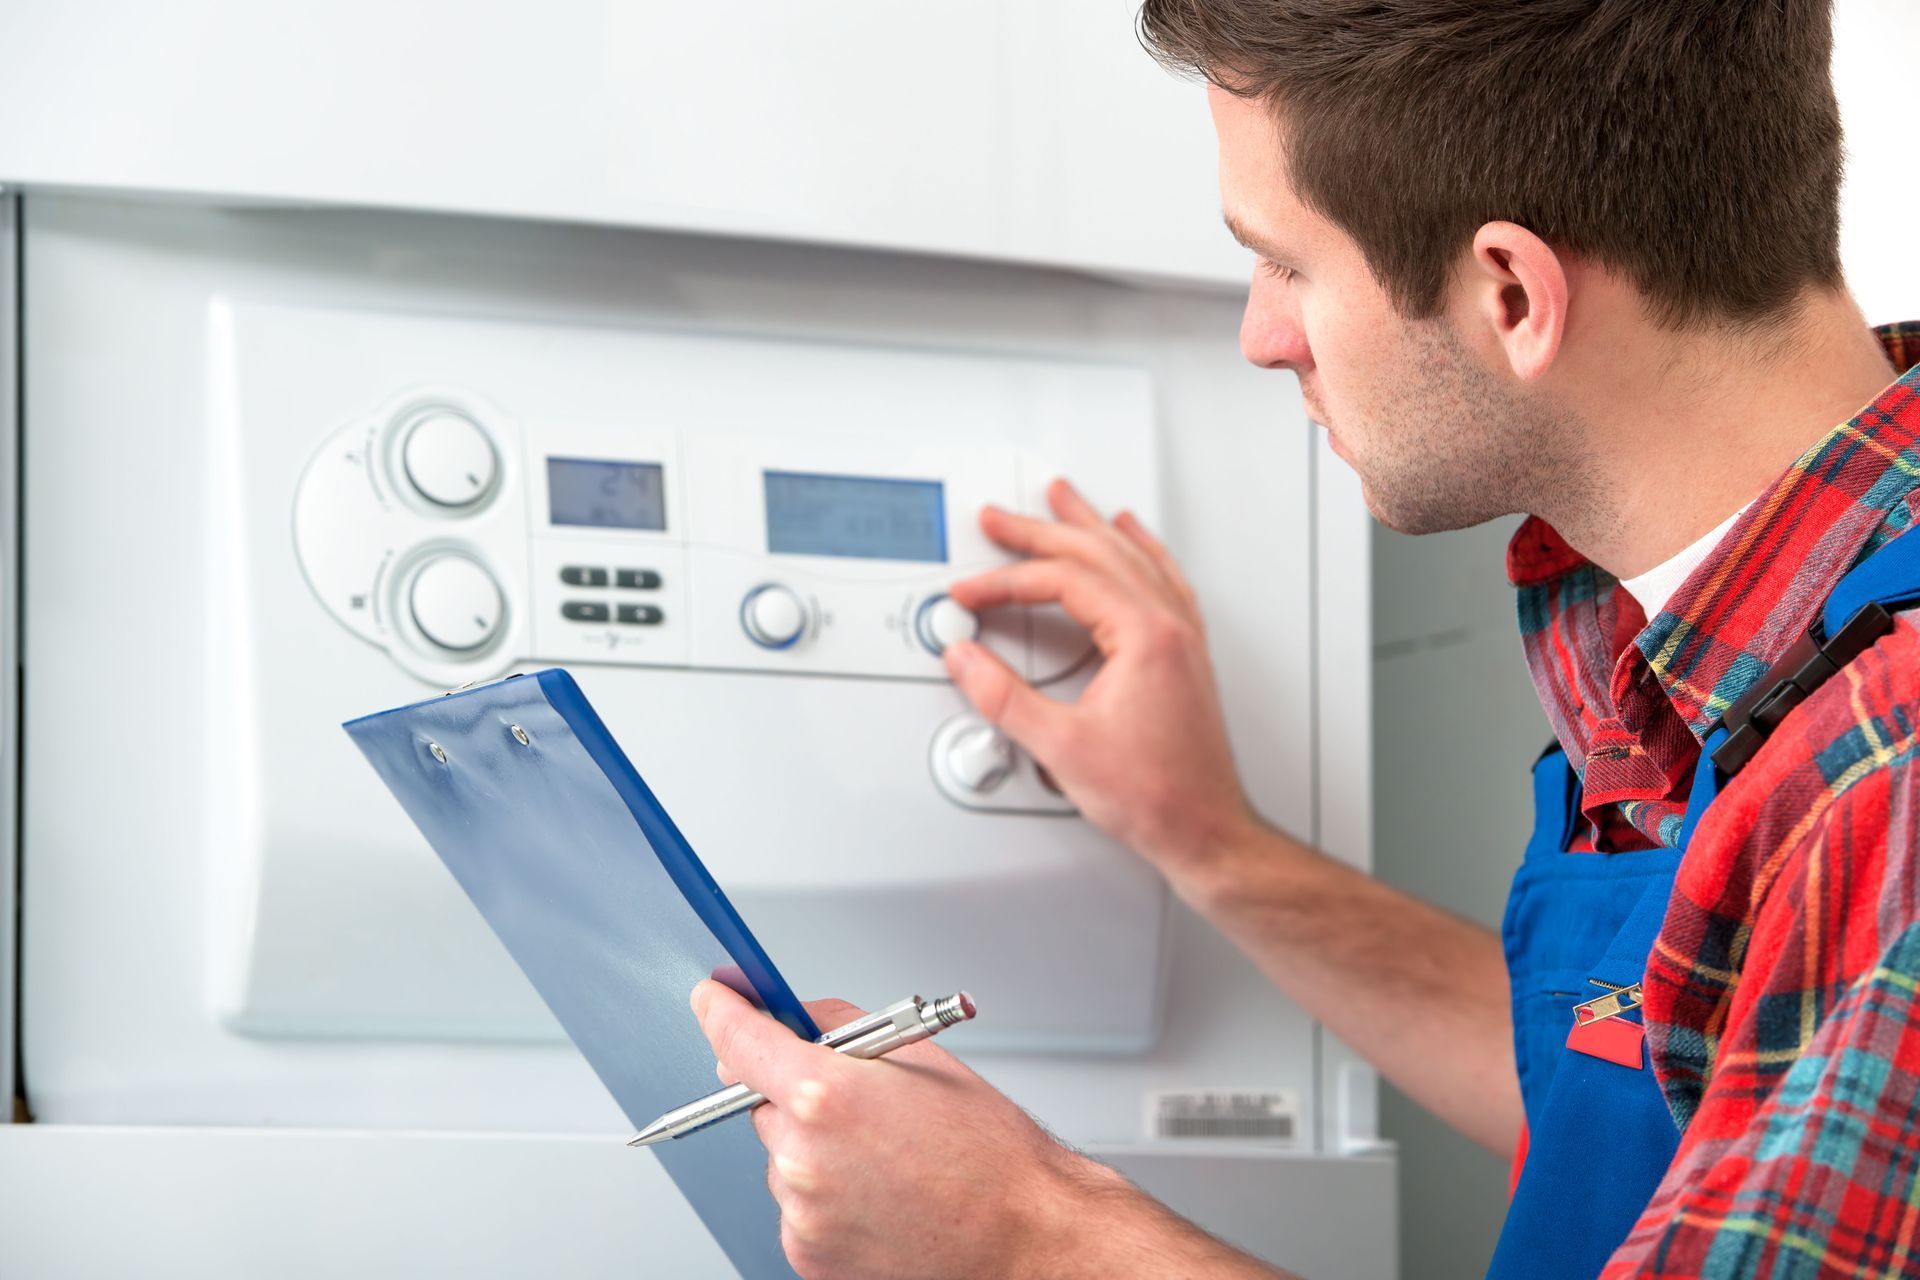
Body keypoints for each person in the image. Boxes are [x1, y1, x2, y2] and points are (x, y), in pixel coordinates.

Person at [693, 1, 1920, 1275]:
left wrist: (1028, 1228)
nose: (1259, 335)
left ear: (1510, 291)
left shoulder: (1892, 772)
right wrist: (1205, 835)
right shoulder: (1729, 624)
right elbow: (1688, 1087)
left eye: (1287, 261)